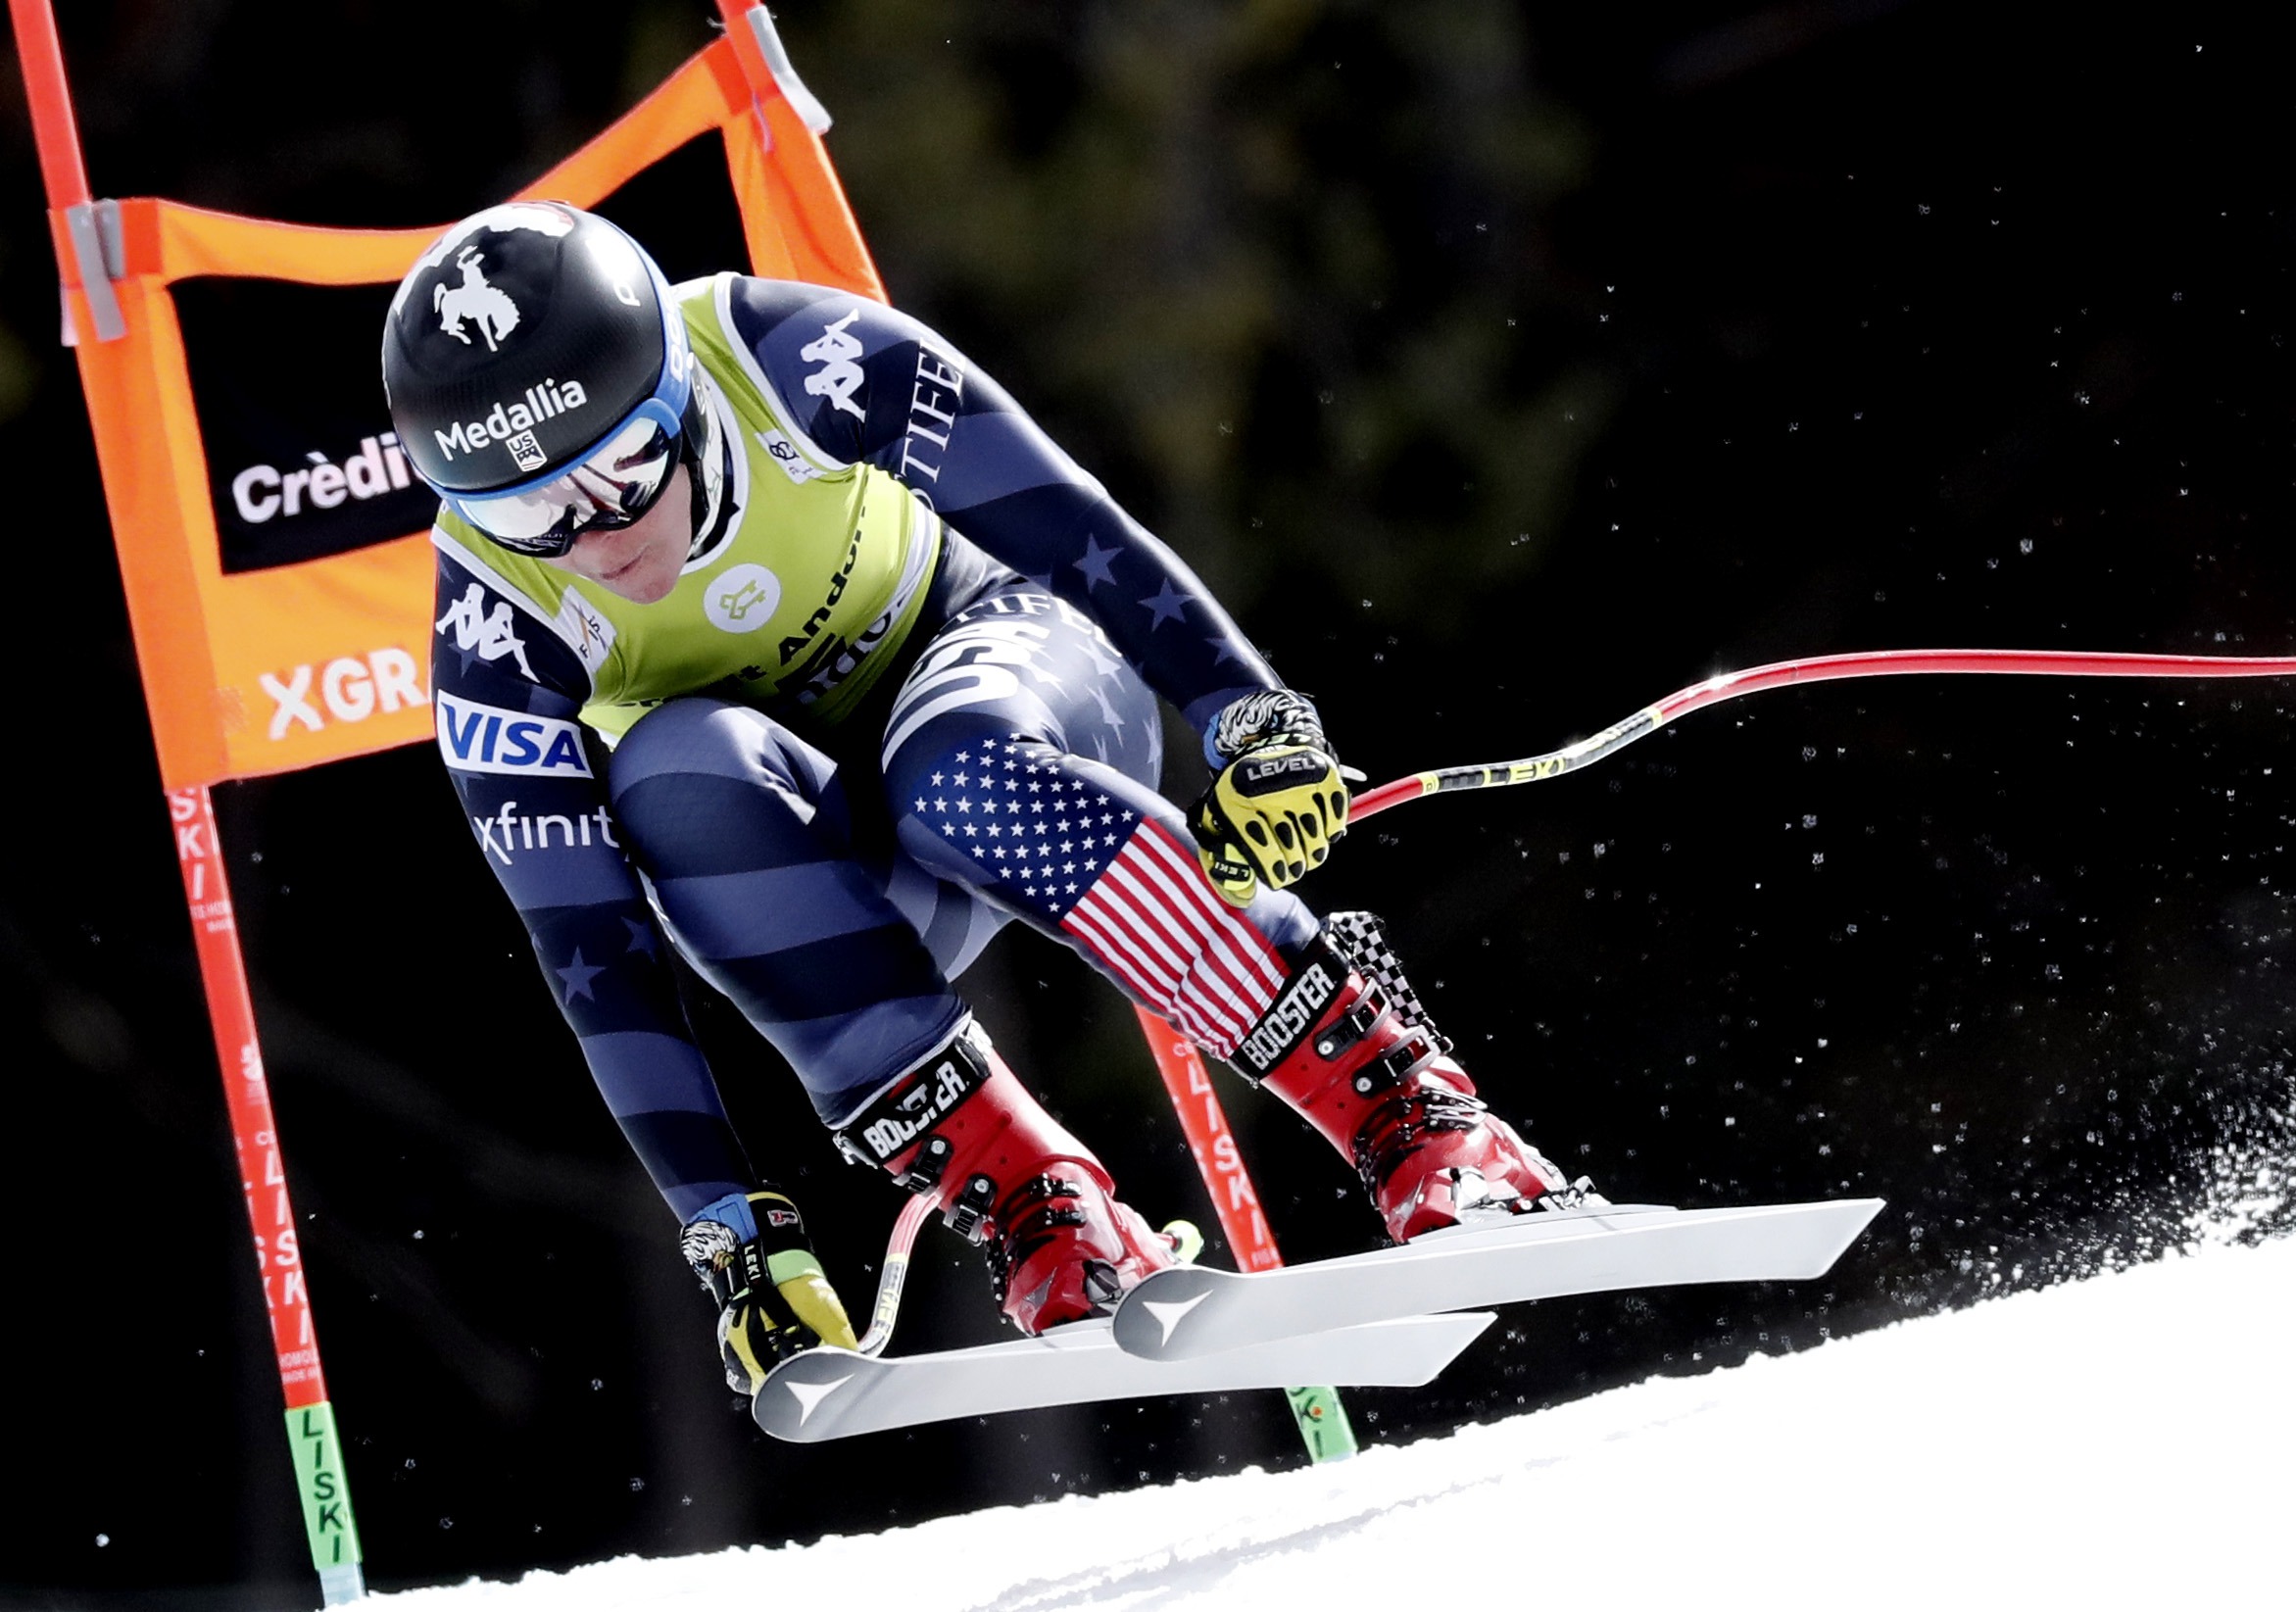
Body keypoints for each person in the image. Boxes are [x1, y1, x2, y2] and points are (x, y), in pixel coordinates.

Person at [382, 200, 1598, 1395]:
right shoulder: (494, 624)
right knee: (669, 777)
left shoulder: (791, 357)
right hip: (851, 872)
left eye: (626, 468)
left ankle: (1411, 1113)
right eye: (530, 509)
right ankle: (1040, 1205)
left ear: (678, 394)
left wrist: (1247, 718)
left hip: (1019, 682)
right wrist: (730, 1235)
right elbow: (588, 944)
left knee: (949, 770)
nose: (596, 540)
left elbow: (1074, 532)